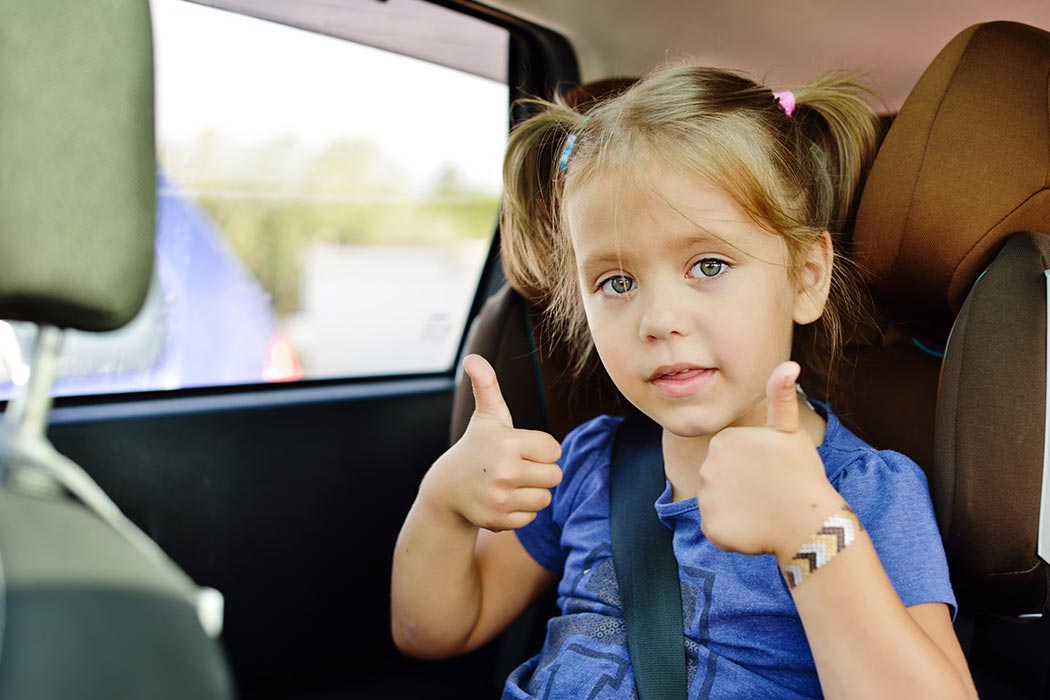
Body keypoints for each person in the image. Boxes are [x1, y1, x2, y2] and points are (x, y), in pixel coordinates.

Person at [391, 65, 978, 699]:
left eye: (708, 264)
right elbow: (435, 631)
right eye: (616, 283)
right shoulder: (590, 464)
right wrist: (443, 503)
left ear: (806, 278)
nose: (659, 320)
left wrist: (810, 534)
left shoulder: (862, 493)